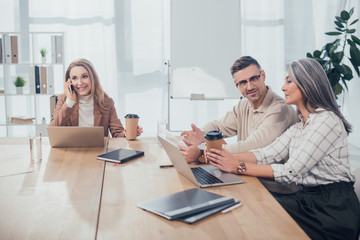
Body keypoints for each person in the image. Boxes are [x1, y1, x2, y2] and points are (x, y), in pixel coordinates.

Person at [206, 58, 360, 240]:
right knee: (247, 204)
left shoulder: (326, 120)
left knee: (258, 216)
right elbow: (267, 153)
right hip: (308, 201)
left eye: (289, 81)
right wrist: (221, 157)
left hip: (332, 212)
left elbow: (290, 171)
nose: (283, 88)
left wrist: (237, 166)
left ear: (307, 84)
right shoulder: (300, 125)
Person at [180, 56, 298, 195]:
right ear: (237, 86)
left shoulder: (280, 109)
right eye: (243, 82)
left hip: (275, 189)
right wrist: (200, 135)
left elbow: (253, 145)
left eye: (254, 78)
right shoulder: (244, 105)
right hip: (248, 179)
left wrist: (202, 152)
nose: (250, 87)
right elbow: (218, 126)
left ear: (263, 76)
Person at [49, 58, 143, 138]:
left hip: (99, 154)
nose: (80, 83)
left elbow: (117, 133)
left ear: (92, 78)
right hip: (71, 154)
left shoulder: (106, 102)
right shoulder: (64, 100)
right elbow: (52, 131)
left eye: (84, 76)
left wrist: (128, 133)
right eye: (74, 78)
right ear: (69, 82)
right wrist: (69, 102)